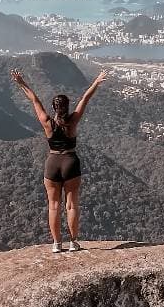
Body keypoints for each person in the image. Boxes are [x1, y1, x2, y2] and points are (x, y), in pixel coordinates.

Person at [10, 67, 107, 253]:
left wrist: (21, 83)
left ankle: (56, 244)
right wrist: (96, 82)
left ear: (54, 108)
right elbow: (85, 99)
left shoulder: (47, 122)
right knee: (71, 205)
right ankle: (73, 242)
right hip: (71, 162)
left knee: (53, 206)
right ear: (67, 107)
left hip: (52, 163)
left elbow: (34, 99)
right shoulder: (73, 121)